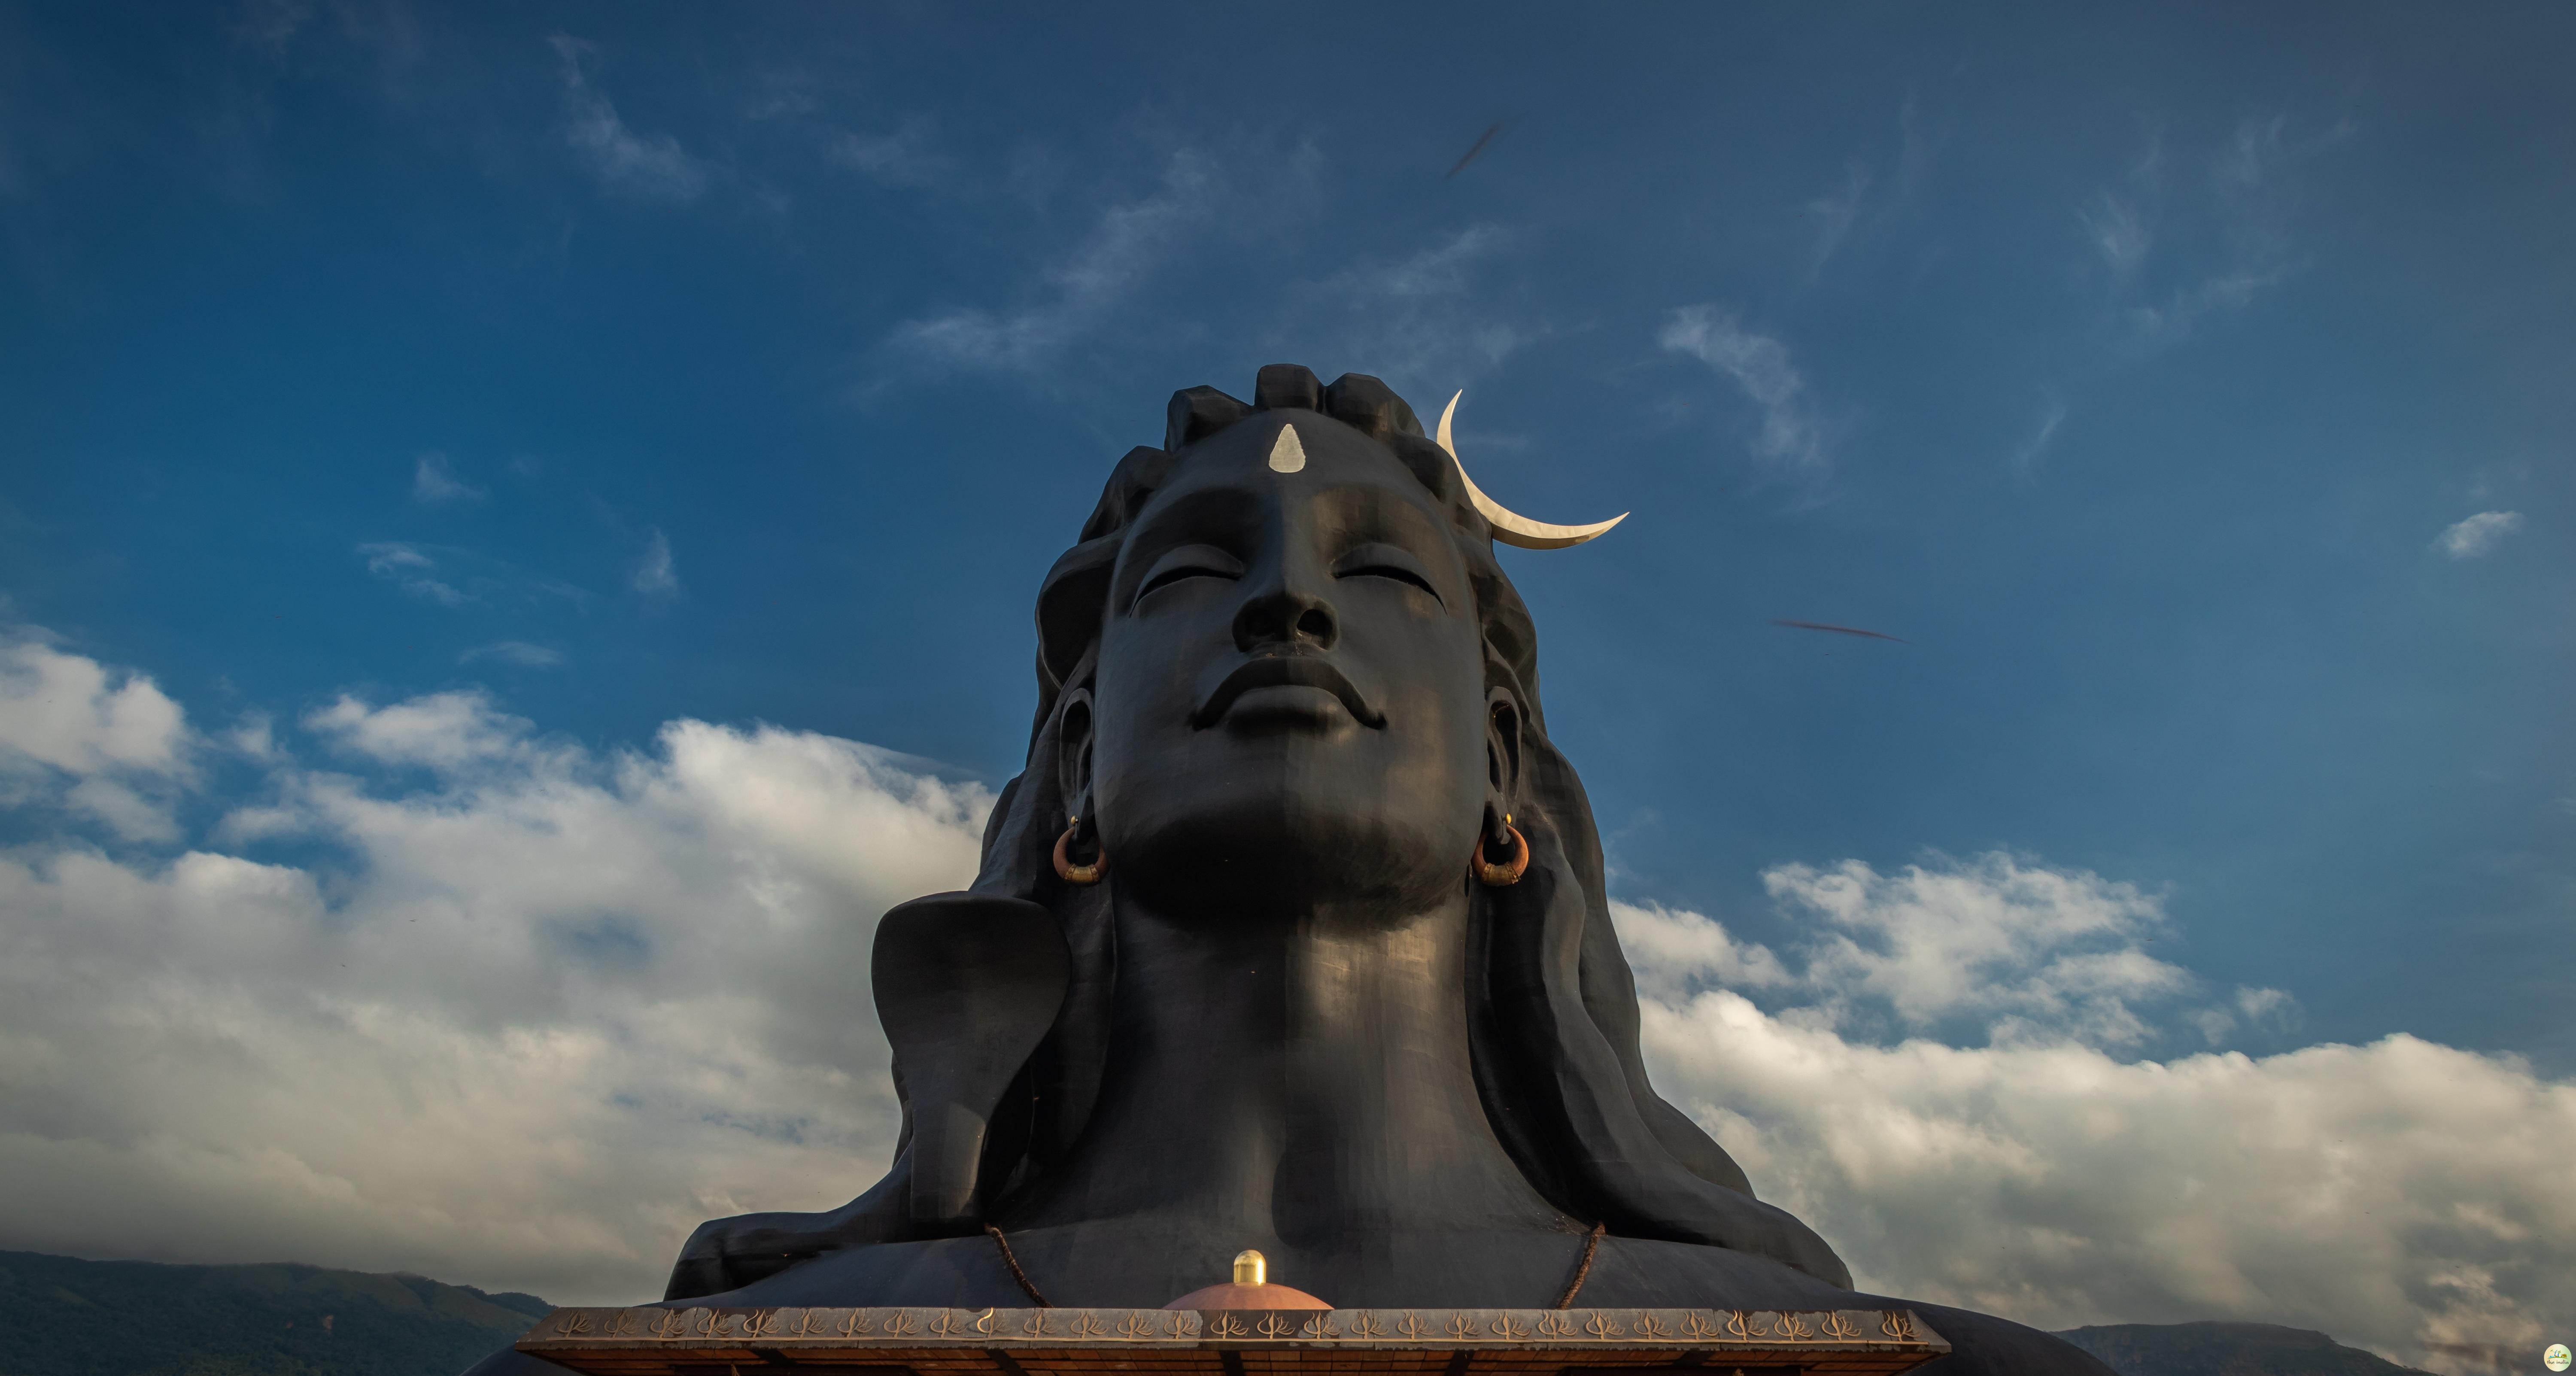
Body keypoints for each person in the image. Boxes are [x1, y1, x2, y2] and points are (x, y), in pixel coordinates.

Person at [466, 366, 2110, 1376]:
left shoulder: (1894, 1368)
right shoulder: (724, 1361)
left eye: (1380, 573)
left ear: (1501, 758)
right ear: (1077, 756)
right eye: (1195, 570)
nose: (1287, 604)